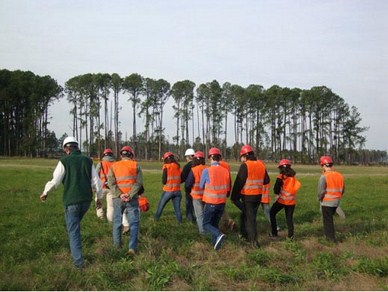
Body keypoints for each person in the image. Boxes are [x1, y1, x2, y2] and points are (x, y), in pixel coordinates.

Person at [40, 136, 102, 268]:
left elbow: (55, 180)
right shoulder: (88, 161)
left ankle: (79, 263)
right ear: (77, 147)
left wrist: (45, 192)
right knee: (73, 227)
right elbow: (97, 182)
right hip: (86, 201)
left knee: (73, 230)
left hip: (72, 201)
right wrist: (99, 199)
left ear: (66, 149)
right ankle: (75, 253)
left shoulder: (64, 161)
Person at [231, 145, 270, 248]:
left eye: (241, 157)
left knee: (250, 219)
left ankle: (254, 241)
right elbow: (267, 180)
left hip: (248, 197)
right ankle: (244, 235)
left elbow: (239, 182)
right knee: (245, 215)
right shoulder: (261, 165)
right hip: (258, 196)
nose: (241, 159)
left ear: (245, 156)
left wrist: (234, 196)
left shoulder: (245, 166)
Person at [107, 145, 142, 256]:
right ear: (131, 155)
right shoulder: (136, 165)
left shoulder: (114, 166)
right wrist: (130, 195)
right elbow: (138, 183)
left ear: (121, 155)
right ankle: (132, 247)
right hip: (132, 199)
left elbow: (111, 183)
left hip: (117, 199)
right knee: (134, 223)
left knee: (117, 223)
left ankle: (117, 246)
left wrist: (120, 194)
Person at [200, 147, 231, 250]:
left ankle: (218, 235)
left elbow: (201, 186)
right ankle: (215, 245)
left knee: (206, 224)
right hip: (221, 202)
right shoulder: (225, 171)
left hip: (211, 202)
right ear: (219, 158)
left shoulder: (207, 171)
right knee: (215, 223)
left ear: (210, 158)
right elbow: (227, 186)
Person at [269, 159, 301, 240]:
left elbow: (276, 188)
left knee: (272, 213)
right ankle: (291, 237)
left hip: (282, 200)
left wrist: (276, 192)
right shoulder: (293, 177)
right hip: (292, 201)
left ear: (280, 168)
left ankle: (274, 233)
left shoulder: (281, 176)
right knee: (289, 218)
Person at [318, 155, 345, 242]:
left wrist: (319, 198)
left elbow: (321, 191)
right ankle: (331, 237)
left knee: (327, 222)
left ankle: (330, 239)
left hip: (326, 202)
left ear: (323, 165)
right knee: (330, 220)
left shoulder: (324, 176)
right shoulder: (339, 175)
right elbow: (343, 189)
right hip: (336, 202)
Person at [154, 152, 183, 223]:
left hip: (168, 191)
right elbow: (181, 179)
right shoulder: (178, 166)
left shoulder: (166, 166)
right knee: (177, 210)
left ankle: (155, 221)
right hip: (177, 191)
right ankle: (180, 223)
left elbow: (164, 181)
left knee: (160, 207)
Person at [185, 151, 207, 234]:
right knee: (205, 214)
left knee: (199, 215)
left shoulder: (194, 170)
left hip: (196, 195)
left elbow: (188, 183)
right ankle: (208, 229)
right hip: (207, 195)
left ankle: (202, 232)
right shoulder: (208, 168)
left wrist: (188, 191)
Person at [181, 148, 196, 223]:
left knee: (189, 205)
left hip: (189, 188)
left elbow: (182, 178)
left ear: (189, 157)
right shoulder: (199, 164)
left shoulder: (187, 167)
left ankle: (190, 219)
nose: (186, 158)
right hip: (199, 188)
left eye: (186, 157)